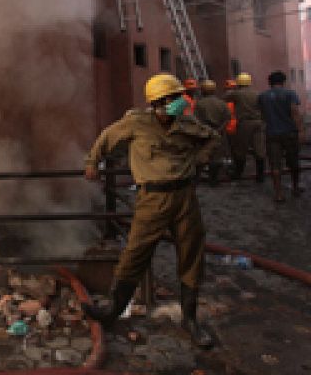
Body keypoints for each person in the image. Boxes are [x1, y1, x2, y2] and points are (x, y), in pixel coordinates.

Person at [82, 73, 216, 348]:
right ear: (159, 101)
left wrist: (200, 158)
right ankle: (113, 310)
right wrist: (92, 161)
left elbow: (212, 139)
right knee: (135, 252)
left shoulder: (187, 124)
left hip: (185, 197)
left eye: (179, 97)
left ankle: (190, 319)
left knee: (192, 254)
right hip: (152, 199)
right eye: (174, 98)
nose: (180, 101)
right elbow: (107, 138)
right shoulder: (136, 122)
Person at [258, 71, 304, 202]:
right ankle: (295, 188)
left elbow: (262, 115)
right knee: (293, 161)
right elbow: (295, 112)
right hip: (289, 133)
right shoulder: (290, 94)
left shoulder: (262, 96)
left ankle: (279, 194)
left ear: (270, 82)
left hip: (272, 133)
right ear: (283, 82)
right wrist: (301, 130)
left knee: (275, 164)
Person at [225, 72, 266, 182]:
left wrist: (231, 89)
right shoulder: (257, 94)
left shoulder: (237, 94)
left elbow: (226, 97)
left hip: (245, 123)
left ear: (238, 83)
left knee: (241, 149)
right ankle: (260, 175)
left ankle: (238, 173)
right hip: (258, 123)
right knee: (259, 149)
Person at [194, 80, 231, 186]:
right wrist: (220, 130)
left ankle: (197, 179)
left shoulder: (200, 104)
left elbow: (196, 120)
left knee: (202, 156)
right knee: (216, 157)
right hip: (218, 133)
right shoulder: (222, 103)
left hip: (204, 133)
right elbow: (227, 118)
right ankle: (214, 180)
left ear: (203, 90)